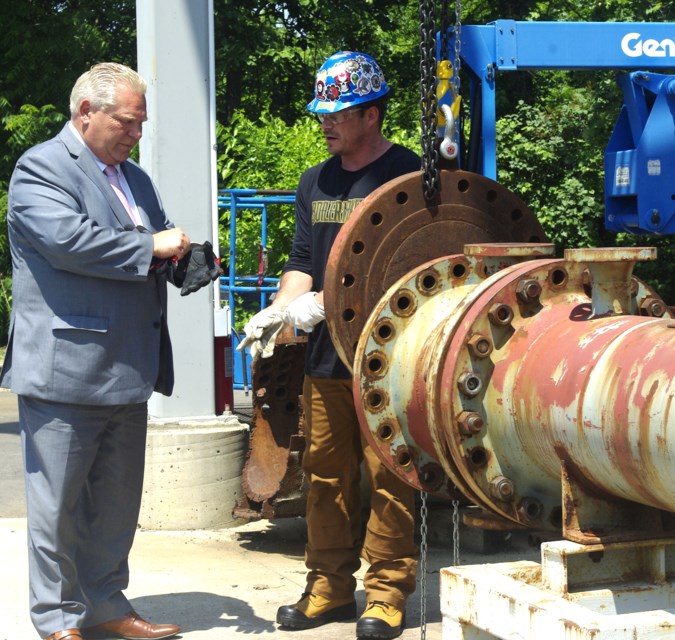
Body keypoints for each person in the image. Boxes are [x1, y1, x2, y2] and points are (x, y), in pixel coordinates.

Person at [0, 62, 191, 640]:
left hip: (126, 367)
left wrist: (184, 259)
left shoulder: (134, 178)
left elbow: (151, 241)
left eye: (141, 124)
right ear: (87, 113)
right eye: (129, 123)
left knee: (114, 505)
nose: (137, 134)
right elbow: (70, 242)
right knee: (57, 509)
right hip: (65, 369)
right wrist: (152, 244)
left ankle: (106, 606)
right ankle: (58, 620)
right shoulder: (40, 168)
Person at [238, 51, 420, 640]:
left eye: (338, 113)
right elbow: (301, 263)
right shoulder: (315, 180)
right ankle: (329, 587)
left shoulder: (408, 174)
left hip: (388, 359)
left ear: (372, 113)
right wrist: (280, 310)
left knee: (391, 474)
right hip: (325, 360)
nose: (326, 122)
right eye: (323, 113)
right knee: (323, 474)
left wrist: (329, 301)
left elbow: (415, 267)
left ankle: (387, 594)